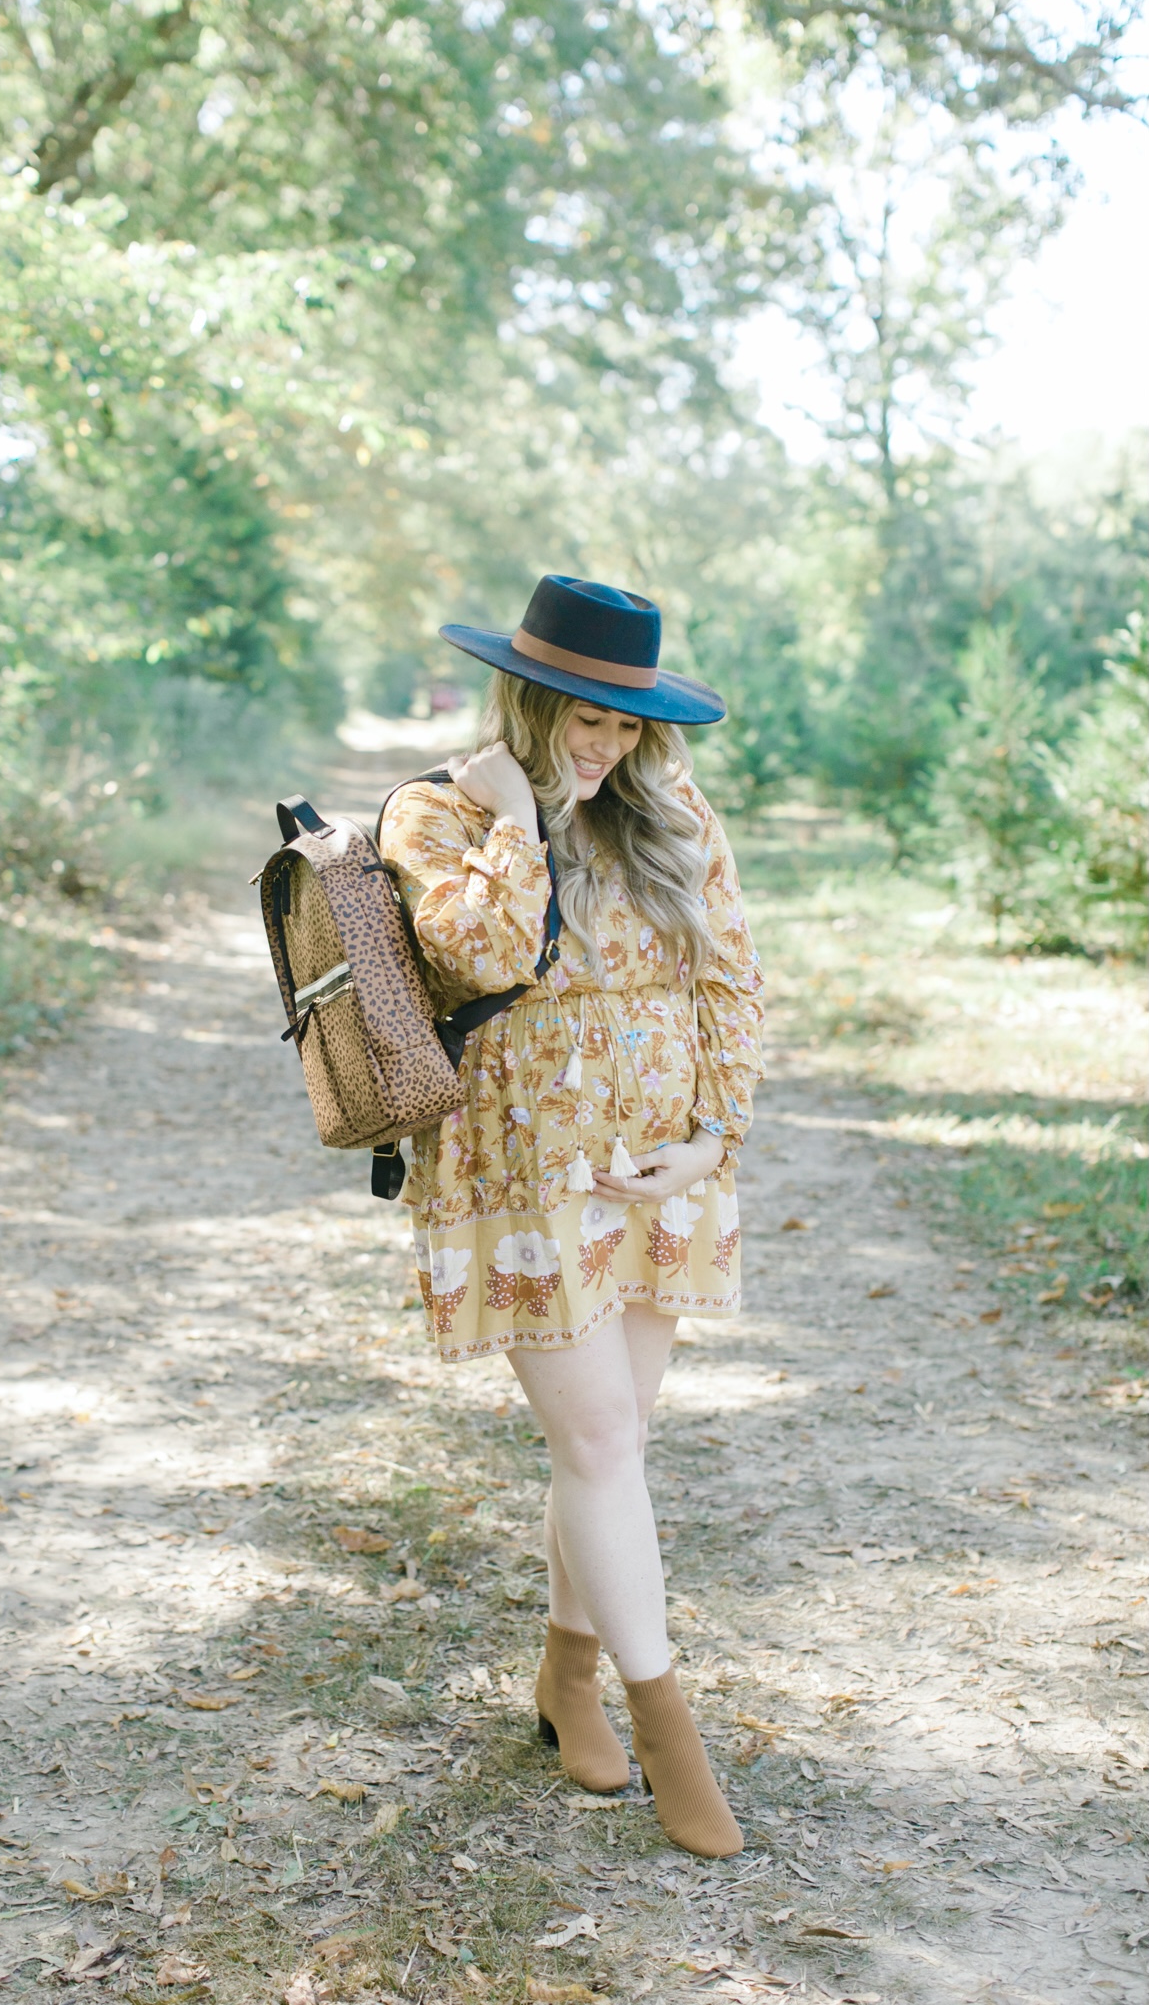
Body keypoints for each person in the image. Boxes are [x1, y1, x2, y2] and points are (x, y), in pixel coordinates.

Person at [378, 575, 763, 1858]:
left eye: (624, 723)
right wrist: (513, 817)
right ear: (524, 700)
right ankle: (670, 1728)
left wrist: (713, 1137)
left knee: (617, 1439)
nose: (601, 745)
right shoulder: (439, 810)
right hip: (522, 1165)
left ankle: (568, 1675)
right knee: (598, 1435)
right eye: (578, 718)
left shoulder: (668, 808)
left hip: (657, 1162)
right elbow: (477, 955)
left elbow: (730, 972)